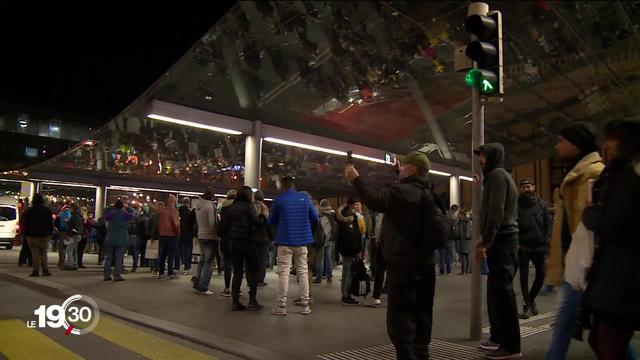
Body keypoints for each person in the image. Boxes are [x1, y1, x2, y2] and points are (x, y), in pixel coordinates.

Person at [346, 150, 439, 360]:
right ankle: (421, 353)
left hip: (403, 264)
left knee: (400, 316)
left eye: (405, 165)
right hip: (426, 264)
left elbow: (375, 200)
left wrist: (356, 180)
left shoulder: (401, 192)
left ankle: (406, 356)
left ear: (413, 169)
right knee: (423, 313)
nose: (401, 168)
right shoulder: (429, 191)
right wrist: (400, 171)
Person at [581, 118, 640, 360]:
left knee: (607, 341)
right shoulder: (621, 171)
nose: (604, 146)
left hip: (623, 276)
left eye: (609, 140)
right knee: (602, 338)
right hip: (616, 276)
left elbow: (616, 224)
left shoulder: (629, 174)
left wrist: (589, 212)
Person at [544, 122, 604, 360]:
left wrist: (588, 261)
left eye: (561, 141)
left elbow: (587, 226)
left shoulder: (590, 174)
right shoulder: (576, 174)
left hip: (582, 262)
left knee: (569, 320)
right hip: (574, 260)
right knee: (599, 330)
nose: (557, 146)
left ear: (575, 144)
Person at [474, 143, 521, 360]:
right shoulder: (499, 176)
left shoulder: (497, 177)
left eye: (483, 155)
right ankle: (501, 339)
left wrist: (486, 242)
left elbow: (495, 212)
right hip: (503, 240)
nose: (480, 159)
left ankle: (511, 347)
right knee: (498, 292)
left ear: (493, 156)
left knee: (503, 294)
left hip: (502, 241)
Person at [268, 176, 318, 316]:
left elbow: (270, 220)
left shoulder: (279, 200)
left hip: (284, 241)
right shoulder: (305, 199)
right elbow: (315, 217)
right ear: (293, 185)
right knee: (302, 272)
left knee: (283, 273)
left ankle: (281, 305)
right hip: (302, 241)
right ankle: (305, 305)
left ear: (283, 185)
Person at [219, 186, 262, 311]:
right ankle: (252, 300)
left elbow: (223, 227)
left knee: (237, 272)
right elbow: (255, 223)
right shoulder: (249, 207)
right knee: (252, 272)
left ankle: (235, 301)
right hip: (248, 243)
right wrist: (262, 216)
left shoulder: (229, 208)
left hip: (234, 243)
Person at [516, 178, 552, 319]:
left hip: (539, 246)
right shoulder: (517, 205)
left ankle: (531, 299)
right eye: (524, 186)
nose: (527, 189)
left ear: (534, 187)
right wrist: (517, 243)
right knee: (523, 278)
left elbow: (548, 225)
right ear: (520, 189)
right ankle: (527, 305)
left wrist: (546, 241)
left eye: (529, 186)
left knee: (541, 275)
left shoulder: (541, 205)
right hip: (523, 247)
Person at [335, 197, 363, 306]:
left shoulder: (343, 216)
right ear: (351, 205)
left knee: (346, 272)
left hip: (345, 249)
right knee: (349, 273)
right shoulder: (349, 218)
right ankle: (346, 296)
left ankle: (345, 295)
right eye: (355, 204)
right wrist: (357, 250)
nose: (357, 207)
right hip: (349, 249)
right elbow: (352, 237)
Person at [193, 188, 219, 295]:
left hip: (201, 234)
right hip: (209, 235)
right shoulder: (210, 206)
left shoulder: (198, 206)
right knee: (209, 262)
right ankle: (203, 286)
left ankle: (197, 282)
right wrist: (217, 235)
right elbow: (212, 222)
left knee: (203, 260)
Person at [21, 193, 54, 277]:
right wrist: (50, 233)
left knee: (34, 253)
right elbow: (50, 223)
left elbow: (25, 223)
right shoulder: (47, 210)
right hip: (44, 235)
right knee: (44, 253)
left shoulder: (29, 211)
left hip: (32, 235)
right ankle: (45, 270)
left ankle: (35, 271)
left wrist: (25, 234)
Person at [104, 200, 134, 281]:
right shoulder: (126, 215)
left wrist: (112, 206)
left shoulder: (110, 214)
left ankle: (106, 275)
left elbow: (105, 212)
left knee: (108, 258)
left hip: (110, 238)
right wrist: (127, 207)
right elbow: (133, 214)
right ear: (122, 206)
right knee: (119, 258)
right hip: (121, 239)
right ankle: (117, 275)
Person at [157, 195, 180, 280]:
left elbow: (159, 223)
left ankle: (161, 272)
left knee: (162, 255)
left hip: (162, 235)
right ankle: (170, 272)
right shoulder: (174, 211)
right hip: (171, 235)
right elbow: (176, 224)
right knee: (171, 255)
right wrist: (178, 234)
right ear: (174, 202)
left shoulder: (162, 210)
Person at [218, 189, 236, 297]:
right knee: (238, 266)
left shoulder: (224, 209)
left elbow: (222, 226)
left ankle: (227, 288)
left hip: (226, 240)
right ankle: (237, 289)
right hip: (238, 239)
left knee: (228, 265)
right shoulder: (240, 208)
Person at [253, 190, 272, 287]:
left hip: (253, 237)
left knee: (253, 259)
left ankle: (252, 278)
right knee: (262, 260)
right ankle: (260, 279)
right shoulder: (265, 208)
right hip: (264, 237)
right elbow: (268, 223)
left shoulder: (251, 207)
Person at [317, 199, 337, 284]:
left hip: (322, 239)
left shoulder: (320, 215)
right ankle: (329, 276)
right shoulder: (332, 214)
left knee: (320, 258)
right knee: (328, 258)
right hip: (331, 238)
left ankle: (319, 277)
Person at [369, 211, 386, 306]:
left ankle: (376, 296)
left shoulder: (382, 213)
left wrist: (378, 241)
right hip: (398, 246)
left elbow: (378, 227)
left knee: (380, 269)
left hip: (384, 244)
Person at [176, 198, 195, 275]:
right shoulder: (190, 212)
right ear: (188, 203)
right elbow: (193, 224)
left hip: (179, 233)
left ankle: (176, 267)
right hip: (188, 234)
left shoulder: (177, 211)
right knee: (188, 251)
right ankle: (187, 268)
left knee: (178, 250)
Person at [439, 205, 459, 276]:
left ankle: (442, 271)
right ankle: (449, 271)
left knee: (441, 256)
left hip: (442, 239)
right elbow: (455, 230)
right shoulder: (454, 218)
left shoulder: (442, 218)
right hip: (450, 239)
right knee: (448, 256)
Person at [63, 204, 84, 270]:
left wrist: (68, 235)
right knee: (74, 250)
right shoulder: (80, 216)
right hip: (78, 234)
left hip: (73, 234)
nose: (69, 209)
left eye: (71, 208)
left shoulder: (73, 216)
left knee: (69, 250)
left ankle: (69, 264)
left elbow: (71, 227)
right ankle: (75, 264)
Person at [456, 210, 472, 275]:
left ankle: (465, 271)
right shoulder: (461, 221)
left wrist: (465, 236)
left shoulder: (465, 221)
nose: (457, 215)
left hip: (465, 240)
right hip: (463, 240)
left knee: (465, 255)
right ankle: (465, 271)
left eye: (458, 214)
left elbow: (466, 232)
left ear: (462, 214)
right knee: (464, 255)